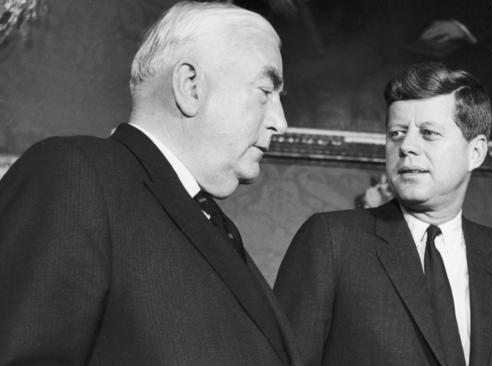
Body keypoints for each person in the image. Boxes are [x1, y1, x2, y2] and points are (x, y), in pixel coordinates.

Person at [0, 2, 300, 365]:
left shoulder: (214, 225)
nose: (280, 123)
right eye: (265, 91)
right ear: (190, 86)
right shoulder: (74, 176)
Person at [274, 62, 492, 366]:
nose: (407, 146)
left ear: (475, 152)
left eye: (428, 133)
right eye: (396, 133)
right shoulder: (332, 242)